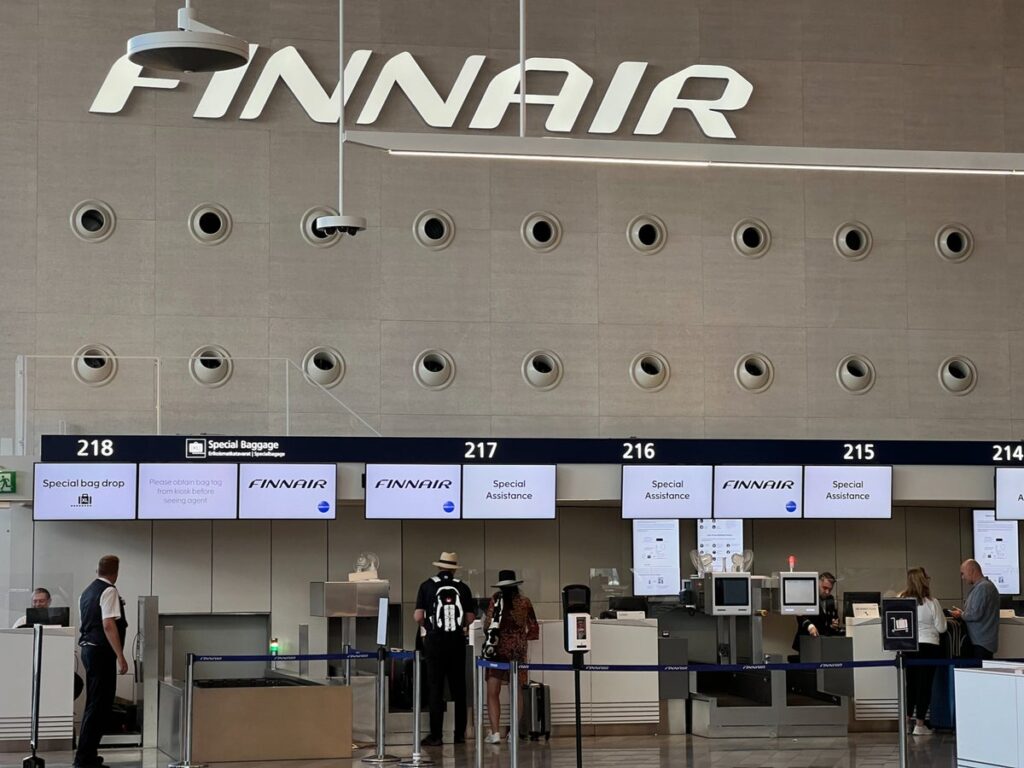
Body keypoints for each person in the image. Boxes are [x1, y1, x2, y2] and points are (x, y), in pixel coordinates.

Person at [414, 551, 475, 747]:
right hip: (456, 643)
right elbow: (470, 618)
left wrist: (428, 626)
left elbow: (418, 616)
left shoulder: (427, 586)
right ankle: (459, 734)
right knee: (459, 688)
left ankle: (436, 735)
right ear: (454, 569)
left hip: (435, 643)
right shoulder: (463, 587)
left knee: (435, 688)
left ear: (439, 567)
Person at [74, 555, 128, 768]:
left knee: (94, 703)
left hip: (88, 650)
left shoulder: (86, 593)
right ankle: (84, 759)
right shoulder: (109, 591)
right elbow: (108, 624)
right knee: (99, 705)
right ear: (116, 572)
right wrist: (120, 656)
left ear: (97, 570)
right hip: (101, 652)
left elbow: (87, 623)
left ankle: (87, 755)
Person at [481, 570, 539, 745]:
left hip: (496, 651)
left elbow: (487, 625)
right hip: (518, 652)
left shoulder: (496, 600)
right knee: (517, 691)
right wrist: (520, 638)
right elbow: (534, 630)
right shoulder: (525, 602)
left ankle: (495, 733)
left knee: (493, 692)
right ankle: (513, 733)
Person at [899, 568, 946, 736]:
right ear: (924, 581)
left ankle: (906, 721)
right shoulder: (932, 602)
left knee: (910, 684)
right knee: (924, 685)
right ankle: (920, 724)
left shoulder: (901, 600)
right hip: (929, 646)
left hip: (909, 646)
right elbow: (942, 628)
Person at [951, 559, 1000, 660]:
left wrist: (961, 615)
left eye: (963, 573)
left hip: (980, 644)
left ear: (971, 570)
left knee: (978, 669)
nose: (962, 577)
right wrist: (963, 613)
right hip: (982, 642)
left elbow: (975, 614)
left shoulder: (983, 588)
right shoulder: (984, 586)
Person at [792, 572, 840, 652]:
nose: (827, 592)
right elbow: (799, 615)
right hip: (807, 641)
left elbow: (834, 616)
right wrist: (810, 626)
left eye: (830, 589)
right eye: (824, 588)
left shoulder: (830, 598)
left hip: (824, 642)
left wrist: (835, 623)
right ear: (818, 584)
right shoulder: (807, 596)